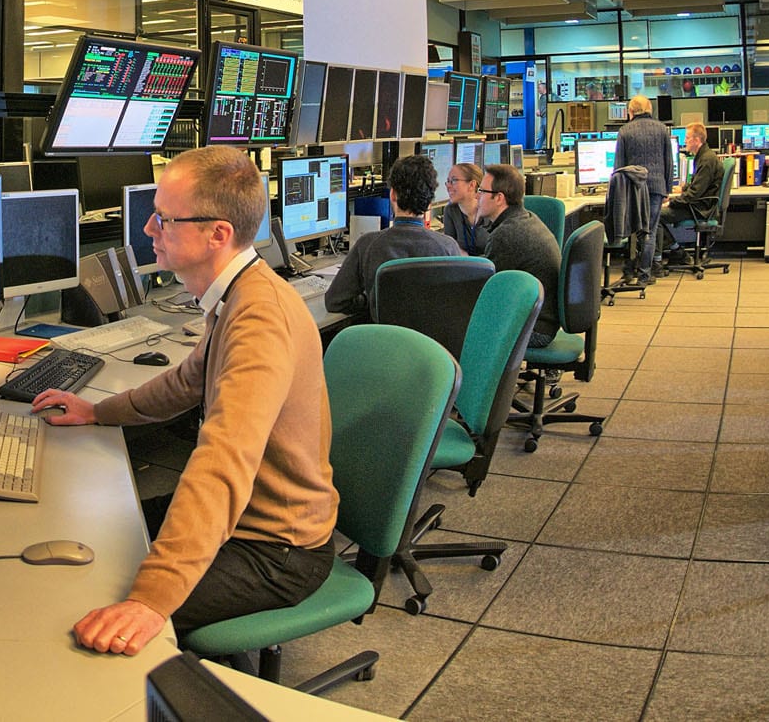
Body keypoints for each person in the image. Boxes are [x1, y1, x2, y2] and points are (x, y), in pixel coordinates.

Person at [31, 146, 337, 654]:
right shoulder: (238, 293)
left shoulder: (259, 319)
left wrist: (150, 600)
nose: (149, 230)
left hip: (274, 550)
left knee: (86, 606)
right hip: (246, 524)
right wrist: (99, 411)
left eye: (163, 220)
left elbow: (223, 462)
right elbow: (184, 382)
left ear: (217, 234)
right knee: (89, 536)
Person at [325, 153, 463, 322]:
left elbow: (335, 301)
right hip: (433, 346)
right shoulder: (448, 247)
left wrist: (370, 301)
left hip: (386, 345)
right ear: (429, 202)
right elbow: (456, 305)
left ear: (392, 195)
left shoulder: (367, 245)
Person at [473, 162, 563, 348]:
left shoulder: (506, 235)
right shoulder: (526, 217)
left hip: (534, 330)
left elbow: (488, 293)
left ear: (499, 198)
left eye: (481, 191)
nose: (477, 196)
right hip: (544, 321)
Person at [612, 95, 675, 280]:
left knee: (633, 228)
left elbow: (619, 166)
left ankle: (630, 268)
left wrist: (618, 192)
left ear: (630, 112)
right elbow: (668, 163)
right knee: (650, 231)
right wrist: (667, 189)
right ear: (650, 110)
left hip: (633, 188)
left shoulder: (624, 131)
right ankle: (645, 274)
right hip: (656, 186)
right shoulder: (662, 129)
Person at [658, 121, 723, 252]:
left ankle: (676, 251)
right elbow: (698, 184)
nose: (685, 141)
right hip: (700, 206)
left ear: (697, 140)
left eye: (687, 138)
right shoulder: (704, 156)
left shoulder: (706, 160)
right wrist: (683, 188)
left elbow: (694, 194)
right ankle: (674, 250)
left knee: (654, 215)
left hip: (698, 209)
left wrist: (671, 202)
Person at [436, 160, 482, 253]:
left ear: (472, 185)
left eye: (453, 181)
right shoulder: (451, 210)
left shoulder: (489, 208)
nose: (448, 186)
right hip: (464, 265)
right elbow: (451, 248)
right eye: (448, 181)